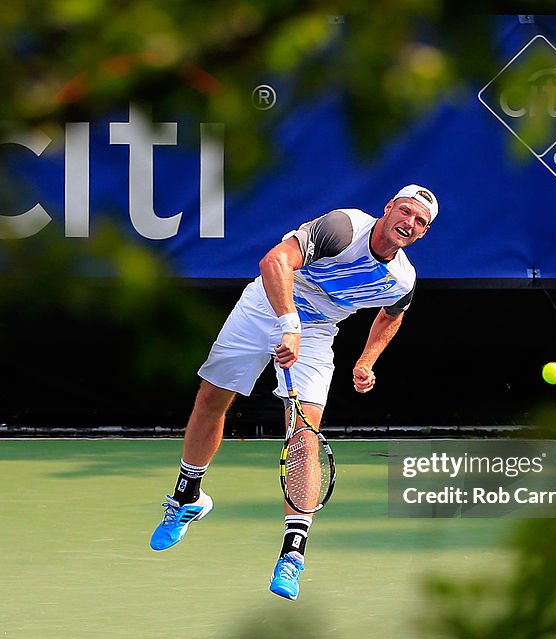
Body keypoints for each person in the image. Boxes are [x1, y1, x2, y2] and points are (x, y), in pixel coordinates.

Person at [149, 184, 439, 600]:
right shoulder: (343, 227)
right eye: (405, 211)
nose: (408, 223)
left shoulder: (402, 280)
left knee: (304, 436)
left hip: (319, 333)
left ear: (423, 233)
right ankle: (187, 497)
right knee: (212, 399)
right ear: (388, 208)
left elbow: (392, 316)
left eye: (420, 222)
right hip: (266, 306)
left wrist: (366, 361)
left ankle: (293, 554)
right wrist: (288, 323)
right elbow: (274, 261)